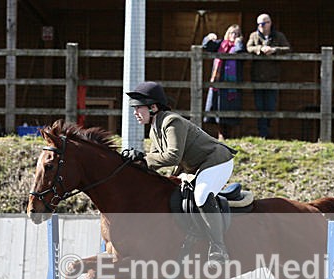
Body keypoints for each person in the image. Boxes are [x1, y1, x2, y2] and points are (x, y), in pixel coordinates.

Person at [122, 81, 237, 264]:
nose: (135, 112)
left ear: (153, 107)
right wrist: (133, 163)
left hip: (217, 162)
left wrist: (143, 158)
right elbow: (154, 161)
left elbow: (172, 157)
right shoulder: (154, 129)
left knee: (201, 195)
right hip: (197, 166)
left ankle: (219, 248)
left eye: (138, 108)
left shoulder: (171, 121)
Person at [246, 13, 291, 138]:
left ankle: (266, 130)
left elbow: (287, 48)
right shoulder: (254, 35)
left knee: (270, 106)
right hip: (257, 76)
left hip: (272, 77)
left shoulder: (278, 36)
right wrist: (259, 49)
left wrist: (274, 50)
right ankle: (263, 133)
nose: (261, 26)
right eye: (259, 24)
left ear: (269, 23)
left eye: (263, 24)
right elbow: (248, 47)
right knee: (259, 106)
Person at [203, 25, 245, 141]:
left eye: (236, 34)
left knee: (231, 111)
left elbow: (239, 51)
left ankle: (230, 136)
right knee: (217, 108)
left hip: (232, 86)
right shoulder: (221, 44)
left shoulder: (239, 46)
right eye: (232, 33)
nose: (233, 35)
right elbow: (206, 46)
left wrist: (238, 42)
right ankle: (220, 135)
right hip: (218, 83)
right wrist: (209, 37)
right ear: (227, 33)